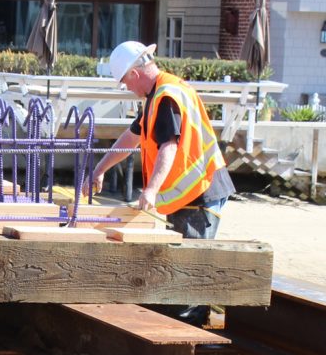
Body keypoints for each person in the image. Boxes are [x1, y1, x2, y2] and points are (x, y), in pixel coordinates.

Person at [87, 41, 236, 326]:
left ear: (134, 74)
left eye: (125, 83)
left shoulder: (167, 96)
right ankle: (186, 326)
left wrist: (151, 190)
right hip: (191, 192)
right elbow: (132, 137)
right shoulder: (157, 95)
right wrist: (100, 168)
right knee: (182, 268)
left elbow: (170, 145)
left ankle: (192, 335)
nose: (127, 89)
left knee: (189, 272)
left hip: (202, 190)